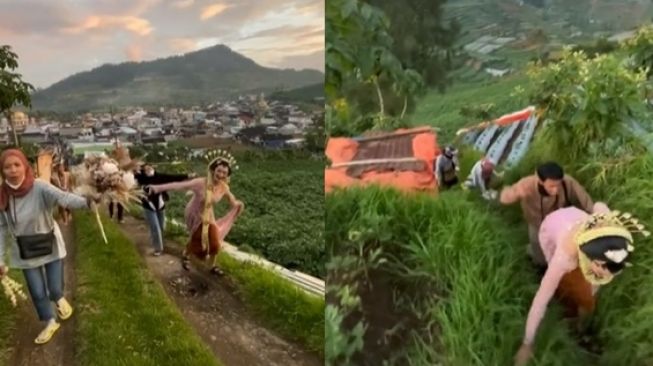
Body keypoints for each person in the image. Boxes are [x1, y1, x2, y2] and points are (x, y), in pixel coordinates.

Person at [513, 203, 645, 366]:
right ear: (592, 259)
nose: (606, 276)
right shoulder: (564, 258)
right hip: (551, 228)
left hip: (574, 215)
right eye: (601, 272)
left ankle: (580, 325)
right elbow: (541, 299)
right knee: (559, 281)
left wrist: (592, 289)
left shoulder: (606, 228)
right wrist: (527, 344)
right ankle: (564, 304)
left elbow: (599, 205)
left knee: (585, 290)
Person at [0, 149, 98, 345]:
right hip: (25, 251)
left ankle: (58, 298)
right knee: (37, 291)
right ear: (2, 171)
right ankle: (50, 322)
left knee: (54, 289)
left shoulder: (39, 187)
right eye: (7, 167)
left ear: (25, 166)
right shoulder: (2, 195)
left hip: (49, 244)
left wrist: (88, 202)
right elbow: (1, 228)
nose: (13, 170)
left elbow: (64, 198)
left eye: (17, 165)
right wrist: (0, 259)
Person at [145, 155, 244, 275]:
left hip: (208, 215)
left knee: (215, 242)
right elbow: (177, 186)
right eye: (219, 171)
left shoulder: (223, 187)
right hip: (194, 213)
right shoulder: (200, 183)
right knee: (197, 239)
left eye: (225, 173)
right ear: (212, 170)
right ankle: (186, 255)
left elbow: (231, 199)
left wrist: (237, 204)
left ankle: (211, 266)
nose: (221, 175)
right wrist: (156, 188)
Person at [500, 162, 595, 268]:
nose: (555, 190)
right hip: (536, 224)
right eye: (551, 186)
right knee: (539, 257)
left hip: (558, 224)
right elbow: (504, 197)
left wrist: (598, 218)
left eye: (558, 185)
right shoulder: (526, 184)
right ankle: (535, 258)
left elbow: (585, 201)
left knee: (564, 252)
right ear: (540, 181)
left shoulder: (567, 182)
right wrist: (514, 194)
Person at [134, 163, 195, 256]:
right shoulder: (140, 177)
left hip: (160, 204)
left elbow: (172, 178)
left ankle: (155, 241)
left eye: (149, 166)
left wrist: (187, 176)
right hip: (148, 205)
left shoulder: (160, 176)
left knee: (161, 226)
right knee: (155, 227)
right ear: (143, 169)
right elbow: (129, 176)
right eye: (145, 167)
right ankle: (158, 249)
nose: (148, 168)